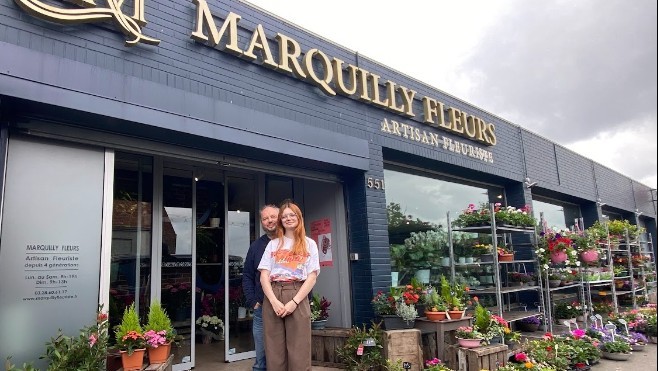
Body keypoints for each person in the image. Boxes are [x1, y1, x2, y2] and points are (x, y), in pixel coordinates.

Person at [258, 201, 320, 371]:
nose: (288, 218)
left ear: (299, 218)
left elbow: (312, 277)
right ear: (280, 221)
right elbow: (264, 276)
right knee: (274, 351)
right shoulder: (273, 244)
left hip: (297, 293)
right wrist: (273, 301)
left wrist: (294, 302)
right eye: (284, 216)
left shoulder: (309, 244)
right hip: (273, 294)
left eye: (292, 215)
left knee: (299, 350)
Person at [242, 204, 279, 371]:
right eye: (265, 218)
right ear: (261, 222)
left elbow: (306, 274)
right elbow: (248, 276)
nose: (269, 221)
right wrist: (253, 301)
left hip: (290, 305)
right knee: (261, 358)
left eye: (273, 216)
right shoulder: (256, 246)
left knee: (286, 352)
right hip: (262, 308)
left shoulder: (292, 243)